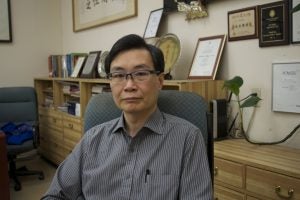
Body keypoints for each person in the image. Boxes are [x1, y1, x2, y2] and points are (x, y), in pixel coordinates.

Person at [41, 34, 212, 200]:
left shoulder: (187, 138)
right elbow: (55, 195)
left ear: (160, 81)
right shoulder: (92, 139)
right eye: (119, 75)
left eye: (141, 73)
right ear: (110, 82)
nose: (129, 85)